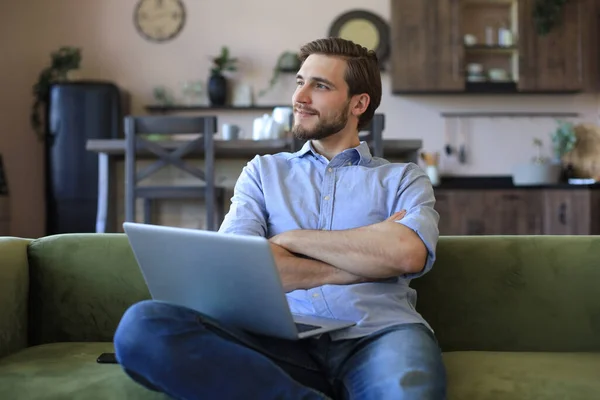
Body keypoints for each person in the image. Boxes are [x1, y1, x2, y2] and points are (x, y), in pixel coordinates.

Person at [114, 37, 447, 399]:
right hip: (277, 339)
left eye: (320, 86)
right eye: (300, 82)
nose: (300, 98)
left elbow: (406, 255)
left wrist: (292, 239)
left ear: (358, 103)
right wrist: (365, 260)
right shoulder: (262, 172)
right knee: (143, 326)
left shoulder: (402, 177)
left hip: (380, 334)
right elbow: (236, 270)